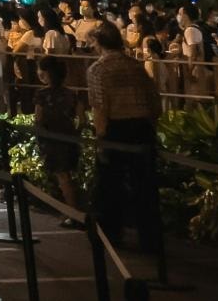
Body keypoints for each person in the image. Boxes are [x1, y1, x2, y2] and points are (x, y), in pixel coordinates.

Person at [87, 21, 163, 250]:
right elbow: (154, 100)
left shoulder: (98, 70)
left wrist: (101, 140)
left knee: (110, 185)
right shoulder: (136, 66)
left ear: (99, 43)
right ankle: (150, 238)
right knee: (145, 186)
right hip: (142, 129)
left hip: (116, 130)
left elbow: (100, 107)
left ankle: (111, 235)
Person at [32, 57, 83, 223]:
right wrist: (77, 131)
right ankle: (72, 209)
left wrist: (39, 133)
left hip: (52, 138)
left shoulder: (42, 95)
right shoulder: (71, 94)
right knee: (68, 174)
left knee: (62, 176)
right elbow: (82, 118)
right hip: (69, 136)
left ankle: (73, 212)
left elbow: (38, 118)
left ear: (46, 74)